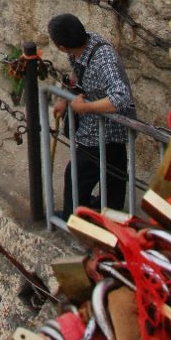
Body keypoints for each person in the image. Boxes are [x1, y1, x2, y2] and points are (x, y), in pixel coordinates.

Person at [48, 14, 136, 219]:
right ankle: (110, 209)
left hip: (106, 127)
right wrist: (67, 97)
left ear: (61, 47)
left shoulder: (103, 59)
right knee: (114, 169)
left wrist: (87, 108)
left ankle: (74, 218)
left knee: (77, 174)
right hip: (103, 124)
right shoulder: (82, 48)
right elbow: (78, 76)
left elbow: (121, 96)